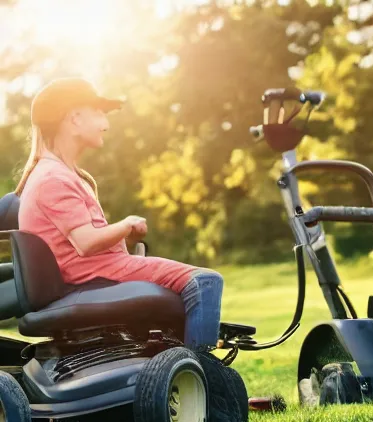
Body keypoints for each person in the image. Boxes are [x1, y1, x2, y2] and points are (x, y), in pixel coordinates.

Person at [16, 77, 223, 351]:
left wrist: (122, 240)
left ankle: (175, 362)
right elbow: (86, 242)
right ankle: (202, 376)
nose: (106, 123)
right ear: (75, 119)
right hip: (96, 276)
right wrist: (126, 225)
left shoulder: (59, 174)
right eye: (99, 113)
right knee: (206, 282)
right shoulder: (53, 178)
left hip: (96, 272)